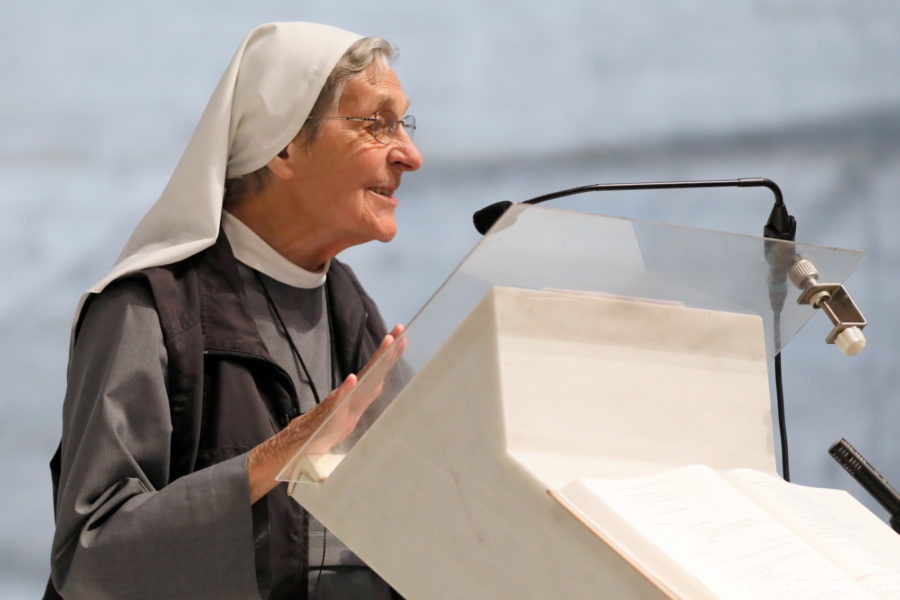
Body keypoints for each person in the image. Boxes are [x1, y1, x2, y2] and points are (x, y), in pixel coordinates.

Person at [44, 22, 423, 599]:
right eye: (377, 123)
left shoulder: (354, 314)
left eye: (404, 125)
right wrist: (272, 459)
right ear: (283, 145)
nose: (411, 156)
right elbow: (90, 561)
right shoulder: (148, 310)